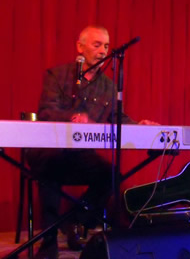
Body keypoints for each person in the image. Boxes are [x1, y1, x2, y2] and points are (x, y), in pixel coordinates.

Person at [27, 25, 156, 258]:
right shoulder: (57, 75)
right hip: (50, 150)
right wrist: (71, 118)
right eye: (97, 45)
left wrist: (139, 126)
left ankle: (76, 220)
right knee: (51, 170)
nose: (103, 51)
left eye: (106, 46)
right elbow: (46, 110)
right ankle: (48, 243)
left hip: (80, 154)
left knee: (111, 174)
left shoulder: (108, 85)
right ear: (80, 46)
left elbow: (117, 118)